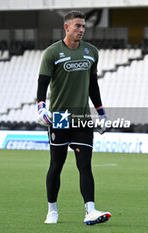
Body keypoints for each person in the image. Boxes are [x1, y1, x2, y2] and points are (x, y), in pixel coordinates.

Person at [36, 11, 111, 225]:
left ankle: (91, 210)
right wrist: (41, 107)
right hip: (60, 117)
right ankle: (52, 210)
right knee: (56, 166)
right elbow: (42, 83)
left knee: (84, 165)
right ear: (66, 27)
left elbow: (93, 86)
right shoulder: (52, 53)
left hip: (82, 117)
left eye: (83, 26)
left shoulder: (91, 52)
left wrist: (102, 113)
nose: (81, 30)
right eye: (77, 26)